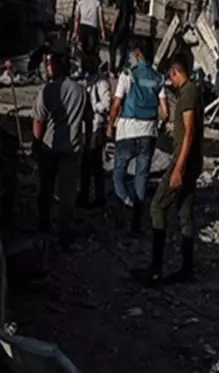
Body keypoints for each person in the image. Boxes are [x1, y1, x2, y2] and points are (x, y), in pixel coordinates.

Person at [137, 53, 202, 284]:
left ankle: (156, 268)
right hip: (191, 162)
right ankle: (187, 268)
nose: (170, 82)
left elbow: (189, 131)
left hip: (183, 162)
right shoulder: (192, 91)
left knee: (157, 206)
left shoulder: (188, 93)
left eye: (171, 77)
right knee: (185, 213)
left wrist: (178, 167)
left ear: (176, 72)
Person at [32, 49, 87, 245]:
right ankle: (65, 228)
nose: (47, 68)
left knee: (46, 185)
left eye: (49, 64)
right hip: (72, 148)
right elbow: (88, 120)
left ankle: (44, 221)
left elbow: (39, 120)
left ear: (56, 67)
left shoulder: (48, 90)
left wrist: (36, 143)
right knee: (67, 191)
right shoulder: (80, 91)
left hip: (50, 146)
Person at [108, 39, 161, 233]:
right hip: (149, 132)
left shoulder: (127, 74)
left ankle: (123, 206)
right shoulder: (157, 77)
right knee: (141, 177)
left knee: (118, 174)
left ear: (138, 54)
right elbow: (165, 112)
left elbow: (116, 104)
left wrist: (110, 125)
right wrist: (159, 125)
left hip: (127, 131)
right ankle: (136, 223)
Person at [78, 56, 112, 209]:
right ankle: (84, 195)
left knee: (95, 163)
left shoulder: (101, 81)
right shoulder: (88, 80)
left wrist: (94, 105)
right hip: (86, 126)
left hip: (96, 126)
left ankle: (99, 196)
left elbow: (107, 104)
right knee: (85, 164)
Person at [72, 0, 106, 64]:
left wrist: (75, 32)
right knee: (91, 49)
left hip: (83, 26)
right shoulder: (97, 3)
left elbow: (76, 19)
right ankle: (90, 63)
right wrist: (103, 31)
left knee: (83, 48)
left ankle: (83, 63)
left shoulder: (80, 2)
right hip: (93, 27)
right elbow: (100, 18)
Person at [108, 0, 136, 73]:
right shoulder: (131, 0)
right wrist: (131, 28)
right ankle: (120, 69)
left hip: (119, 26)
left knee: (113, 47)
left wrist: (113, 24)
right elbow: (133, 16)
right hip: (126, 28)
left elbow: (117, 11)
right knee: (123, 50)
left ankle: (112, 69)